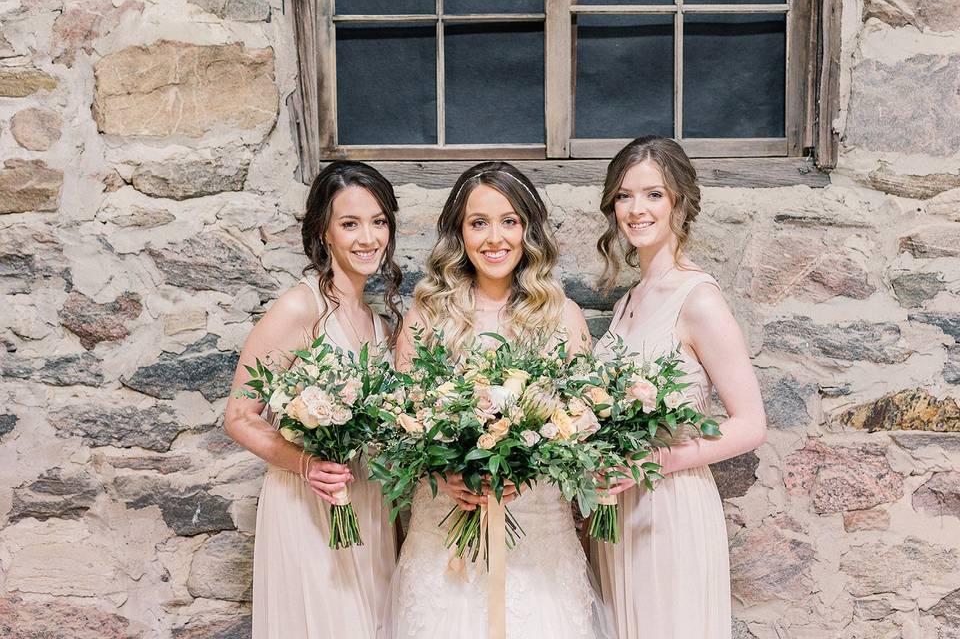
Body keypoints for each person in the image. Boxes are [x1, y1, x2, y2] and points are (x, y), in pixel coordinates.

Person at [382, 161, 612, 638]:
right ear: (458, 233)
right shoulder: (428, 313)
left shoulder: (562, 316)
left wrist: (528, 472)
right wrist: (441, 473)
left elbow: (583, 423)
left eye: (510, 221)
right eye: (478, 222)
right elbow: (399, 422)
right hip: (446, 524)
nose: (495, 238)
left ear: (528, 230)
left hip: (537, 530)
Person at [592, 136, 767, 639]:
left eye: (653, 194)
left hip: (670, 504)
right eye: (624, 195)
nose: (636, 209)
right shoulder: (630, 301)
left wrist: (656, 462)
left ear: (679, 203)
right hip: (618, 507)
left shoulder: (699, 299)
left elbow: (751, 424)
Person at [223, 161, 403, 638]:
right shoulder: (300, 308)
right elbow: (240, 415)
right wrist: (306, 464)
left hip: (368, 500)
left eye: (378, 221)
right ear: (324, 232)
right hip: (309, 503)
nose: (368, 238)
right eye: (350, 224)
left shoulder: (382, 325)